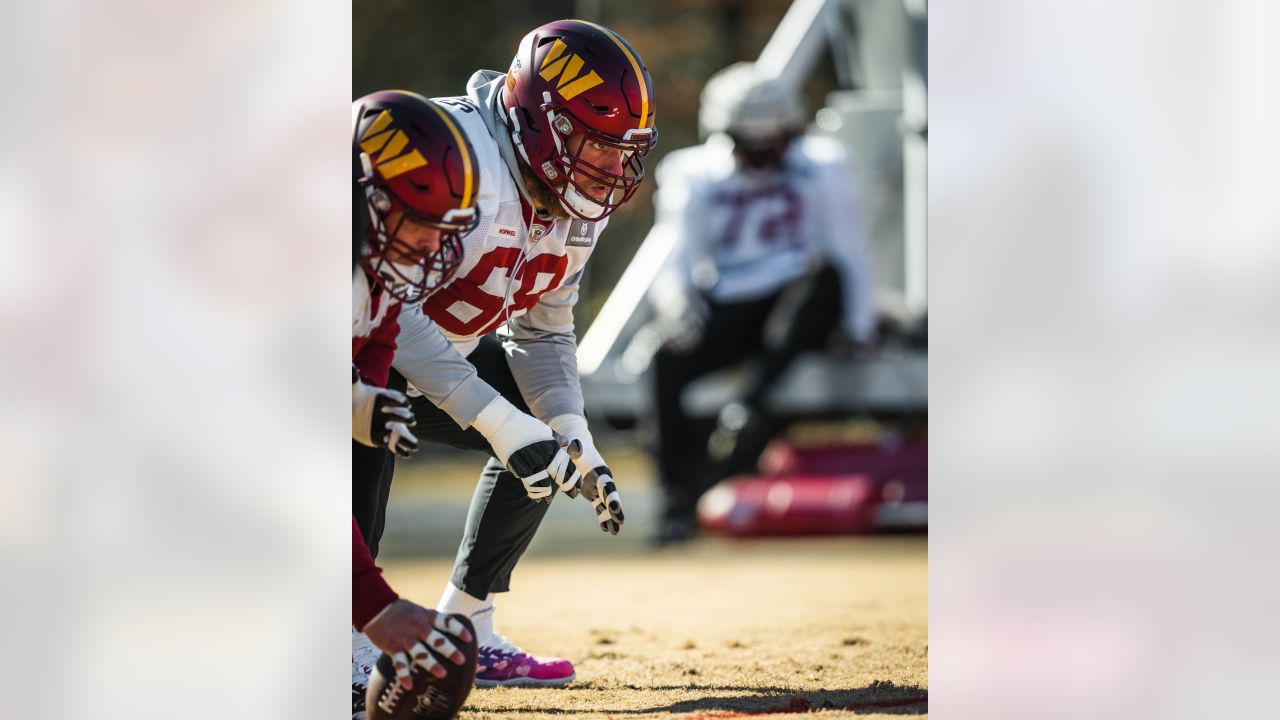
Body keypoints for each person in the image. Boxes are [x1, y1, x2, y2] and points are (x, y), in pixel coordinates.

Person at [351, 19, 657, 687]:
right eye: (598, 146)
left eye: (623, 152)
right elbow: (381, 305)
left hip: (419, 357)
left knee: (546, 436)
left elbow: (544, 328)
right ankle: (349, 633)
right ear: (543, 125)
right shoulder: (455, 158)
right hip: (340, 356)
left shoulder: (578, 197)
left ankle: (466, 625)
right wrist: (494, 420)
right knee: (367, 407)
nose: (612, 169)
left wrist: (568, 426)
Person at [646, 62, 876, 545]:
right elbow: (676, 252)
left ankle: (748, 407)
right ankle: (676, 501)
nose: (761, 158)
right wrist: (677, 307)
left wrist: (860, 324)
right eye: (749, 147)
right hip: (733, 299)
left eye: (770, 145)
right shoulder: (694, 172)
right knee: (665, 361)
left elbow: (849, 248)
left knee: (825, 280)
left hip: (798, 299)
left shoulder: (824, 165)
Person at [350, 90, 481, 717]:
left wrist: (362, 399)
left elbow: (376, 337)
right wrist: (374, 606)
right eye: (421, 221)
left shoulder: (368, 268)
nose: (433, 246)